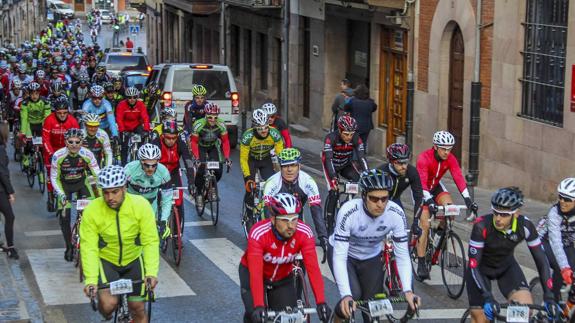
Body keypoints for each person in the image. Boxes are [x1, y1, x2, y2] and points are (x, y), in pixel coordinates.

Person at [329, 169, 419, 322]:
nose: (380, 204)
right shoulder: (349, 212)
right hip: (346, 256)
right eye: (374, 199)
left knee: (374, 307)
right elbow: (339, 256)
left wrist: (408, 291)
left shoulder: (395, 213)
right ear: (363, 196)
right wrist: (346, 295)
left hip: (371, 256)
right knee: (354, 296)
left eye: (384, 199)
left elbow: (402, 255)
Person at [466, 187, 557, 322]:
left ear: (516, 213)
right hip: (480, 270)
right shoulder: (481, 226)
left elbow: (541, 261)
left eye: (504, 215)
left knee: (525, 311)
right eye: (496, 213)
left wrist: (549, 296)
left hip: (506, 268)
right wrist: (487, 296)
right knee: (480, 317)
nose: (498, 218)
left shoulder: (525, 226)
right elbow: (474, 265)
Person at [81, 165, 159, 323]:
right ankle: (109, 315)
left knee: (137, 307)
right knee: (108, 305)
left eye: (115, 192)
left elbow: (150, 240)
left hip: (133, 259)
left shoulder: (141, 205)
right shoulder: (92, 211)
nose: (110, 198)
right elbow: (89, 246)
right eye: (106, 193)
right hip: (107, 261)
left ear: (124, 188)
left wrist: (151, 272)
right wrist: (90, 280)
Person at [239, 193, 331, 323]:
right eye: (284, 220)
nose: (291, 226)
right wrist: (259, 306)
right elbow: (255, 273)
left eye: (294, 219)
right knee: (256, 317)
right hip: (253, 275)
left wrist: (321, 302)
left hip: (282, 278)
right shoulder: (258, 233)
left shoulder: (304, 233)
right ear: (273, 219)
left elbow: (313, 269)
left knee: (289, 318)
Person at [414, 130, 478, 279]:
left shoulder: (450, 159)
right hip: (421, 190)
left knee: (451, 210)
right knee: (425, 223)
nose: (447, 152)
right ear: (435, 147)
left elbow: (458, 177)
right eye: (443, 149)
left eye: (449, 149)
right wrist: (429, 202)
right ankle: (422, 263)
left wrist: (468, 199)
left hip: (436, 187)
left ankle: (438, 237)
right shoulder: (424, 158)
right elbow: (422, 184)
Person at [262, 148, 328, 254]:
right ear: (280, 167)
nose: (289, 170)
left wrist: (323, 237)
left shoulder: (308, 181)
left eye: (293, 165)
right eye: (285, 166)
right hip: (277, 216)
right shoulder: (272, 183)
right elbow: (267, 212)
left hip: (297, 213)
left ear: (299, 166)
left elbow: (316, 211)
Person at [50, 128, 100, 261]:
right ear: (66, 142)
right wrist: (60, 194)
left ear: (82, 142)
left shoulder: (87, 154)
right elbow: (54, 178)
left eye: (77, 142)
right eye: (70, 142)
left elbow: (97, 174)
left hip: (81, 184)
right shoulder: (58, 155)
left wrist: (101, 190)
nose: (74, 145)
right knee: (64, 217)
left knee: (92, 211)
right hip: (64, 186)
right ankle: (69, 247)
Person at [322, 115, 368, 235]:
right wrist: (333, 178)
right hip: (330, 165)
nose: (349, 137)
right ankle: (330, 224)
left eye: (351, 134)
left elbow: (361, 157)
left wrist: (367, 174)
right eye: (346, 134)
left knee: (356, 180)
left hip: (345, 164)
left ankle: (346, 204)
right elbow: (328, 160)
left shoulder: (356, 138)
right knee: (334, 190)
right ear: (340, 130)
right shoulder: (330, 138)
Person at [240, 109, 284, 220]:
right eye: (260, 128)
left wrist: (283, 170)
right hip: (251, 160)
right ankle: (249, 216)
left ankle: (268, 209)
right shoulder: (247, 136)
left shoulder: (274, 133)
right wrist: (247, 176)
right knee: (250, 187)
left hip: (265, 160)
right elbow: (243, 159)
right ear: (254, 127)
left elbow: (280, 155)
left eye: (266, 127)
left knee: (272, 185)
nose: (264, 131)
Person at [536, 178, 575, 302]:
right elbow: (556, 242)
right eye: (560, 197)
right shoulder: (554, 213)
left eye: (567, 199)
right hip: (545, 242)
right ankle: (551, 299)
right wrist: (565, 268)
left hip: (567, 243)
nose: (562, 202)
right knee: (560, 267)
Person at [151, 120, 194, 230]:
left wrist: (191, 182)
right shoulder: (156, 143)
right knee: (155, 199)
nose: (171, 141)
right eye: (168, 138)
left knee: (178, 203)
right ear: (163, 135)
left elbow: (188, 162)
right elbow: (149, 164)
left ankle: (177, 233)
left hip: (173, 172)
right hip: (158, 172)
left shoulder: (180, 143)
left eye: (174, 138)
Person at [124, 144, 172, 235]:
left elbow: (167, 199)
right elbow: (121, 193)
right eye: (147, 165)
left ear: (157, 162)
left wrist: (164, 220)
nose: (150, 169)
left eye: (154, 165)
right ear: (141, 161)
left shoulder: (163, 172)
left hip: (150, 203)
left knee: (149, 233)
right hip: (131, 204)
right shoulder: (129, 170)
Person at [189, 103, 231, 208]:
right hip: (200, 147)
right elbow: (193, 142)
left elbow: (225, 142)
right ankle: (198, 193)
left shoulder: (221, 125)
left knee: (218, 170)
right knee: (201, 168)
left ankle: (212, 187)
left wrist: (226, 157)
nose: (213, 119)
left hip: (212, 146)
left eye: (215, 117)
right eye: (210, 117)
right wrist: (197, 158)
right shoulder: (199, 124)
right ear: (206, 115)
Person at [42, 98, 80, 212]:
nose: (62, 115)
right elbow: (45, 139)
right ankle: (50, 194)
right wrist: (50, 153)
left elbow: (78, 139)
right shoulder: (49, 120)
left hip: (66, 149)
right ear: (55, 112)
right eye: (59, 113)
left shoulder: (73, 121)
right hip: (52, 149)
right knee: (50, 172)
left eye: (65, 112)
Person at [115, 87, 150, 164]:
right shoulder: (121, 105)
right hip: (125, 126)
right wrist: (122, 130)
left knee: (143, 138)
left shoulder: (140, 104)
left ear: (137, 97)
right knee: (124, 146)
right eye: (130, 97)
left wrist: (146, 130)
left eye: (134, 97)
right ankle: (124, 164)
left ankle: (140, 157)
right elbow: (119, 119)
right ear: (126, 98)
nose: (132, 99)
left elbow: (145, 117)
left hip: (136, 125)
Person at [0, 122, 18, 259]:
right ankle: (11, 247)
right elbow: (2, 173)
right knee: (9, 216)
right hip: (0, 190)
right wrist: (10, 192)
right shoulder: (0, 149)